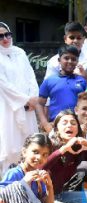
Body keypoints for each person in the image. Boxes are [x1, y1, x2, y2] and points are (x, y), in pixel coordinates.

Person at [0, 22, 39, 176]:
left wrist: (33, 98)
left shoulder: (20, 52)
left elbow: (31, 76)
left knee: (29, 141)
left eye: (7, 34)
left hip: (28, 107)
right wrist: (25, 100)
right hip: (7, 106)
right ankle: (8, 186)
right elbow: (3, 84)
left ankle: (31, 181)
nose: (5, 39)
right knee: (10, 146)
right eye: (0, 36)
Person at [36, 45, 87, 133]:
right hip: (55, 126)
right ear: (59, 60)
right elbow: (40, 104)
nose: (70, 61)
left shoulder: (82, 80)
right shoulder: (49, 81)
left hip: (77, 126)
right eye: (66, 58)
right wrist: (45, 123)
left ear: (77, 61)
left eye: (73, 59)